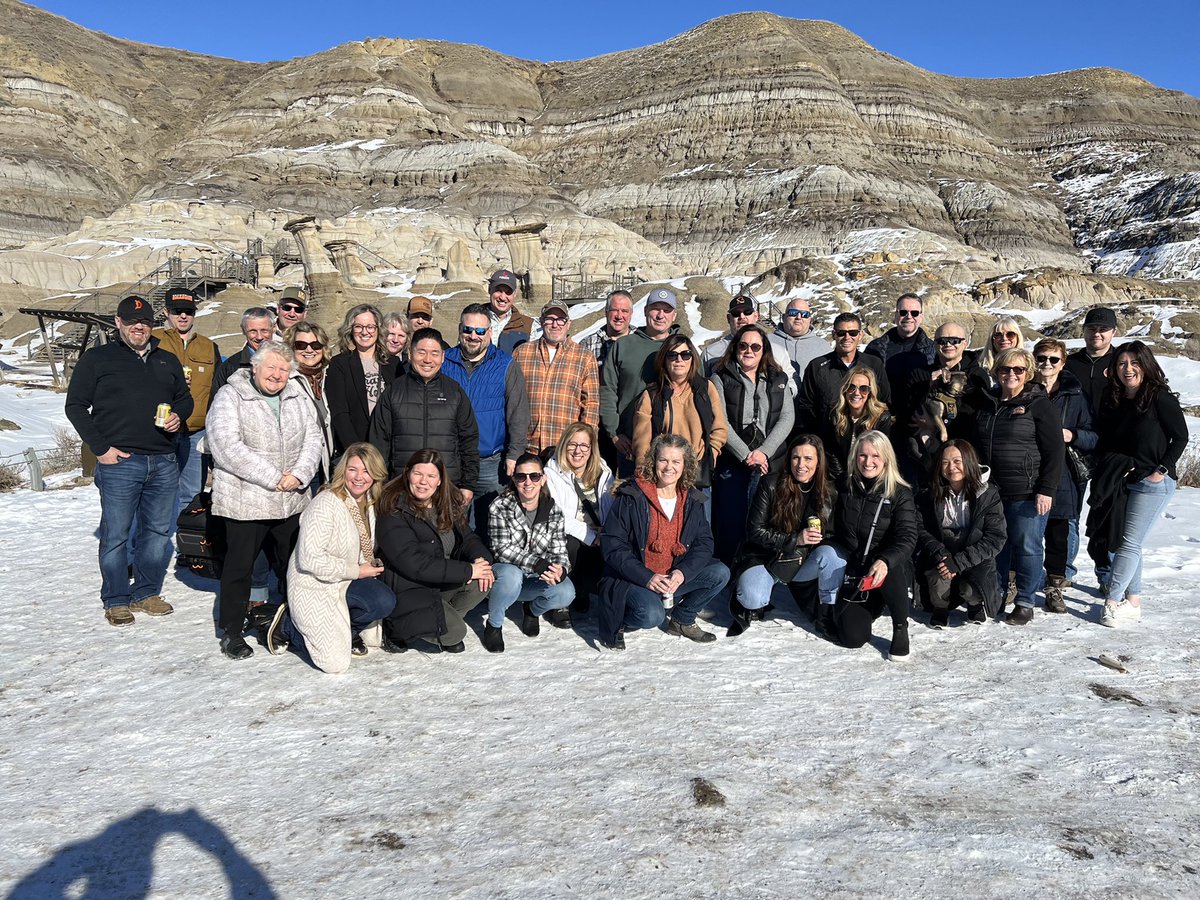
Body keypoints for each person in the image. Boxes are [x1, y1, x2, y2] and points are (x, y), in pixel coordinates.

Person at [65, 294, 192, 626]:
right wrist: (101, 449)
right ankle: (116, 598)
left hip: (163, 460)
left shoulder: (167, 360)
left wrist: (179, 415)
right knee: (117, 533)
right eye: (133, 321)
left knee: (157, 532)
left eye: (146, 321)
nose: (140, 326)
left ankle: (146, 593)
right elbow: (75, 406)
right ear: (118, 323)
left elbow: (185, 399)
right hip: (120, 462)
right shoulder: (97, 359)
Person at [206, 341, 324, 659]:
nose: (277, 374)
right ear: (255, 367)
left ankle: (292, 621)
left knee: (293, 565)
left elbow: (313, 437)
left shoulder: (297, 394)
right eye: (271, 367)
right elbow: (225, 444)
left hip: (291, 498)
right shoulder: (231, 395)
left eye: (283, 369)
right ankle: (232, 631)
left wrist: (299, 474)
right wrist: (274, 478)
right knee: (240, 567)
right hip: (248, 499)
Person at [263, 443, 397, 672]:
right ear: (343, 470)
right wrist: (358, 571)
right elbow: (310, 560)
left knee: (384, 600)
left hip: (345, 580)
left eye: (366, 471)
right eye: (353, 469)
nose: (359, 477)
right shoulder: (325, 503)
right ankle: (286, 624)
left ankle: (346, 631)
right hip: (316, 583)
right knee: (335, 663)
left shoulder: (371, 504)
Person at [597, 434, 730, 648]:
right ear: (653, 461)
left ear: (685, 465)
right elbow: (613, 545)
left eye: (676, 461)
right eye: (663, 460)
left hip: (671, 577)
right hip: (635, 577)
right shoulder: (632, 495)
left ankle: (682, 619)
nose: (669, 467)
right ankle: (621, 617)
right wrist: (647, 577)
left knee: (720, 573)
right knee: (650, 616)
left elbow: (704, 543)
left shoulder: (692, 498)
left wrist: (682, 573)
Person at [1090, 341, 1188, 628]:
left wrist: (1160, 470)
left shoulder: (1159, 398)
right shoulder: (1115, 399)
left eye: (1134, 363)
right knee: (1129, 542)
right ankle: (1133, 602)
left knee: (1128, 543)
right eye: (1122, 364)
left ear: (1146, 365)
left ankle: (1112, 601)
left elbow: (1180, 437)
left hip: (1152, 484)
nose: (1128, 369)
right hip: (1122, 481)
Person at [965, 348, 1063, 624]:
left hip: (1027, 491)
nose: (1011, 374)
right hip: (991, 491)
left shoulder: (1038, 404)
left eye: (1018, 370)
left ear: (1027, 373)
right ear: (996, 372)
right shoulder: (988, 403)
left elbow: (1055, 451)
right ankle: (994, 594)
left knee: (1027, 546)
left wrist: (1047, 489)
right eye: (1006, 369)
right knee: (997, 546)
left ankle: (1025, 601)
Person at [376, 449, 494, 653]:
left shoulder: (445, 502)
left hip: (439, 583)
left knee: (482, 582)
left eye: (431, 476)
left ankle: (435, 622)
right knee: (456, 634)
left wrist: (481, 561)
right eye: (418, 474)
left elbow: (468, 538)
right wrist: (467, 570)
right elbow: (415, 564)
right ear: (407, 473)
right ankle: (397, 628)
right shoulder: (394, 509)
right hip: (410, 588)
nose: (423, 482)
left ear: (439, 480)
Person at [731, 434, 844, 637]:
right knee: (753, 598)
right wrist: (794, 539)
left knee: (831, 555)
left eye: (808, 458)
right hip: (768, 558)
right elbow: (754, 531)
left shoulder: (828, 491)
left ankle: (826, 614)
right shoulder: (771, 484)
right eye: (795, 457)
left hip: (802, 562)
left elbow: (834, 535)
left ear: (819, 462)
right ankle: (743, 593)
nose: (801, 464)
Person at [709, 323, 794, 562]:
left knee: (763, 521)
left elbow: (788, 417)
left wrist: (764, 453)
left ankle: (757, 572)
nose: (749, 351)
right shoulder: (720, 378)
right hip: (733, 459)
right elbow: (720, 420)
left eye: (755, 346)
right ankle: (726, 572)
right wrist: (747, 455)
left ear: (764, 349)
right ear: (735, 348)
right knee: (731, 521)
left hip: (769, 462)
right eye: (743, 345)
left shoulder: (778, 379)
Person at [828, 431, 917, 659]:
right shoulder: (844, 486)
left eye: (875, 455)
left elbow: (907, 536)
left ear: (886, 458)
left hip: (888, 570)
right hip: (856, 570)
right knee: (853, 638)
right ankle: (872, 605)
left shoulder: (900, 493)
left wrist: (885, 560)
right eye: (862, 455)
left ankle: (900, 626)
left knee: (890, 563)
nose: (868, 462)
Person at [442, 303, 531, 530]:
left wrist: (514, 454)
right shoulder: (443, 362)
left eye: (480, 331)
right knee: (449, 523)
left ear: (490, 332)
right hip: (450, 460)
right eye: (468, 330)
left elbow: (518, 413)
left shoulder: (505, 365)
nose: (473, 336)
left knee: (488, 525)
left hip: (490, 463)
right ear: (459, 329)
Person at [370, 328, 480, 495]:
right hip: (402, 487)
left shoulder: (454, 392)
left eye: (434, 353)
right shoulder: (393, 392)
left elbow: (469, 441)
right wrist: (381, 484)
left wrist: (468, 485)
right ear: (410, 353)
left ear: (443, 357)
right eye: (421, 352)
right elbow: (379, 442)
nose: (428, 360)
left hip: (446, 488)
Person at [484, 453, 575, 651]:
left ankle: (532, 610)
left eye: (534, 476)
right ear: (514, 479)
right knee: (511, 575)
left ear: (543, 479)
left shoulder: (554, 511)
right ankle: (494, 624)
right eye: (521, 477)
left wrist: (560, 569)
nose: (527, 482)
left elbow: (559, 549)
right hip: (507, 573)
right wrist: (536, 563)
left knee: (566, 591)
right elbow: (501, 549)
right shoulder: (499, 507)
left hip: (535, 575)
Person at [1032, 338, 1096, 611]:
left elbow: (1093, 436)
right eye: (1041, 358)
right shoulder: (1024, 388)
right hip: (1028, 468)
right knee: (1024, 531)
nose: (1046, 363)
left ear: (1063, 363)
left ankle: (1054, 587)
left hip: (1064, 472)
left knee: (1059, 532)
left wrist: (1072, 435)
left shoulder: (1075, 395)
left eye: (1053, 359)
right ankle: (1020, 582)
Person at [915, 440, 1007, 626]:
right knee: (938, 581)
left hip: (975, 556)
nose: (952, 467)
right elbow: (920, 527)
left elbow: (995, 537)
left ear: (969, 461)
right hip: (942, 552)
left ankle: (975, 604)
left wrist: (959, 562)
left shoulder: (988, 494)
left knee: (970, 589)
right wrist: (941, 556)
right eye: (945, 462)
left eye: (957, 461)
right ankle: (941, 607)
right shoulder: (929, 492)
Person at [152, 288, 221, 515]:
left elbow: (218, 389)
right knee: (157, 491)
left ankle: (186, 545)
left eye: (188, 311)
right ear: (166, 312)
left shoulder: (209, 346)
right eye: (177, 311)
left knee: (191, 493)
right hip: (159, 431)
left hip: (196, 432)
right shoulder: (152, 340)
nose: (183, 316)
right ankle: (146, 546)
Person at [631, 334, 728, 489]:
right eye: (672, 355)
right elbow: (641, 440)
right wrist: (644, 470)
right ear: (664, 359)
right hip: (664, 474)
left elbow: (720, 428)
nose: (679, 360)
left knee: (698, 513)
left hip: (698, 470)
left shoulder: (706, 389)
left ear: (693, 358)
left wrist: (712, 455)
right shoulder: (652, 394)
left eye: (685, 354)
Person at [600, 286, 679, 471]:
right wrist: (614, 433)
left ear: (674, 315)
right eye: (655, 309)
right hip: (630, 443)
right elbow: (608, 390)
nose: (660, 315)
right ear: (645, 311)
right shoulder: (623, 345)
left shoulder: (682, 348)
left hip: (673, 448)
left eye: (666, 310)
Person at [512, 301, 600, 455]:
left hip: (565, 448)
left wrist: (585, 444)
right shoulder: (522, 353)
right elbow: (511, 398)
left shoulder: (584, 357)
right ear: (541, 321)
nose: (555, 324)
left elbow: (591, 404)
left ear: (568, 323)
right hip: (527, 448)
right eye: (550, 319)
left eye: (561, 319)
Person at [544, 422, 614, 606]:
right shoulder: (551, 473)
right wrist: (591, 535)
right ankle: (563, 598)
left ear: (592, 449)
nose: (578, 451)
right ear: (564, 445)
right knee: (570, 542)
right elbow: (557, 516)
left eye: (584, 445)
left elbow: (612, 509)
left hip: (599, 534)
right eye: (572, 444)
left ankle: (599, 591)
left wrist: (606, 532)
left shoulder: (604, 472)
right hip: (570, 535)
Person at [904, 321, 980, 473]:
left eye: (955, 340)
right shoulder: (919, 375)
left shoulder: (976, 375)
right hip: (926, 459)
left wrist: (936, 422)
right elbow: (907, 411)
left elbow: (973, 413)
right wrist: (928, 387)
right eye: (942, 341)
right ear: (935, 344)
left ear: (965, 343)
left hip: (963, 457)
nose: (948, 344)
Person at [326, 304, 401, 458]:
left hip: (389, 449)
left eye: (370, 327)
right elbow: (340, 413)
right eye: (358, 326)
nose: (365, 331)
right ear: (350, 329)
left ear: (378, 329)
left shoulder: (393, 364)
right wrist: (357, 452)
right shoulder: (339, 364)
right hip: (355, 449)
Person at [797, 312, 890, 432]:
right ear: (834, 334)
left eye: (853, 333)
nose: (847, 337)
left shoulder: (873, 364)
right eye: (841, 333)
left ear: (860, 335)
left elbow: (883, 401)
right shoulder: (817, 366)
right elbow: (806, 406)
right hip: (828, 442)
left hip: (865, 438)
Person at [864, 293, 935, 420]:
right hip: (882, 417)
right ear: (896, 316)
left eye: (914, 313)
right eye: (903, 312)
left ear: (921, 317)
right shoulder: (875, 348)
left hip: (919, 419)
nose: (909, 317)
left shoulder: (933, 350)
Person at [285, 321, 335, 484]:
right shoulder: (285, 380)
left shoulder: (331, 376)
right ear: (291, 348)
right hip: (298, 468)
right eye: (301, 345)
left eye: (315, 344)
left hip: (328, 464)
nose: (309, 350)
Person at [821, 368, 892, 481]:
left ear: (870, 392)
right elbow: (830, 451)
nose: (857, 393)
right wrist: (842, 478)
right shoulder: (833, 414)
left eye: (864, 389)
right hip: (840, 476)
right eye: (851, 387)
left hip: (870, 475)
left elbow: (881, 455)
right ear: (844, 389)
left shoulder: (881, 418)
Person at [701, 291, 790, 376]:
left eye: (747, 312)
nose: (742, 317)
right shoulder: (710, 353)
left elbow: (791, 382)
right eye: (736, 313)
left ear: (756, 316)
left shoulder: (777, 351)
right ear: (728, 318)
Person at [1065, 306, 1120, 417]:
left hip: (1114, 430)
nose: (1096, 334)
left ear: (1113, 332)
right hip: (1076, 431)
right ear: (1083, 330)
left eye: (1103, 329)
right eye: (1092, 329)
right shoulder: (1068, 363)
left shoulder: (1121, 362)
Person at [212, 307, 274, 397]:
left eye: (264, 331)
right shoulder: (230, 367)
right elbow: (215, 405)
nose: (259, 337)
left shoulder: (285, 362)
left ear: (273, 328)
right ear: (243, 330)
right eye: (253, 331)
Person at [773, 297, 827, 395]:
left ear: (810, 319)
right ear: (783, 317)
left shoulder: (824, 347)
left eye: (804, 315)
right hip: (774, 405)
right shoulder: (767, 342)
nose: (799, 317)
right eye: (793, 313)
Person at [577, 289, 633, 370]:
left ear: (631, 314)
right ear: (606, 312)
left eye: (624, 311)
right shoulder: (587, 345)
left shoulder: (642, 341)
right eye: (614, 310)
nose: (619, 316)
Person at [486, 269, 534, 354]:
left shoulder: (529, 325)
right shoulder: (473, 319)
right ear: (489, 290)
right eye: (498, 291)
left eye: (508, 292)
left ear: (515, 294)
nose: (503, 297)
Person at [975, 317, 1025, 389]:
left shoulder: (1028, 365)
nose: (1004, 338)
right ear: (992, 339)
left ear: (1018, 337)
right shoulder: (979, 367)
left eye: (1010, 334)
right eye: (998, 335)